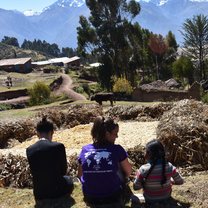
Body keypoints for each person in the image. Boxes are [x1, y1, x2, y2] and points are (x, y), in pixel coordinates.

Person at [78, 116, 132, 207]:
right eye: (115, 133)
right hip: (112, 197)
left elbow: (79, 175)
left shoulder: (85, 150)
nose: (117, 136)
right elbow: (128, 172)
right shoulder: (117, 149)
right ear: (107, 134)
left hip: (90, 198)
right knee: (119, 165)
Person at [26, 117, 74, 201]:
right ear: (52, 132)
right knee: (69, 179)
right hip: (57, 190)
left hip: (39, 193)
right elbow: (63, 171)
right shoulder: (58, 146)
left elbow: (34, 172)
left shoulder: (29, 149)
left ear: (37, 133)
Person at [133, 139, 184, 206]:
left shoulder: (143, 169)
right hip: (166, 197)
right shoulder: (169, 167)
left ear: (148, 154)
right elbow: (180, 181)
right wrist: (171, 181)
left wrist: (142, 181)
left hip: (150, 199)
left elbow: (136, 187)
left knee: (133, 198)